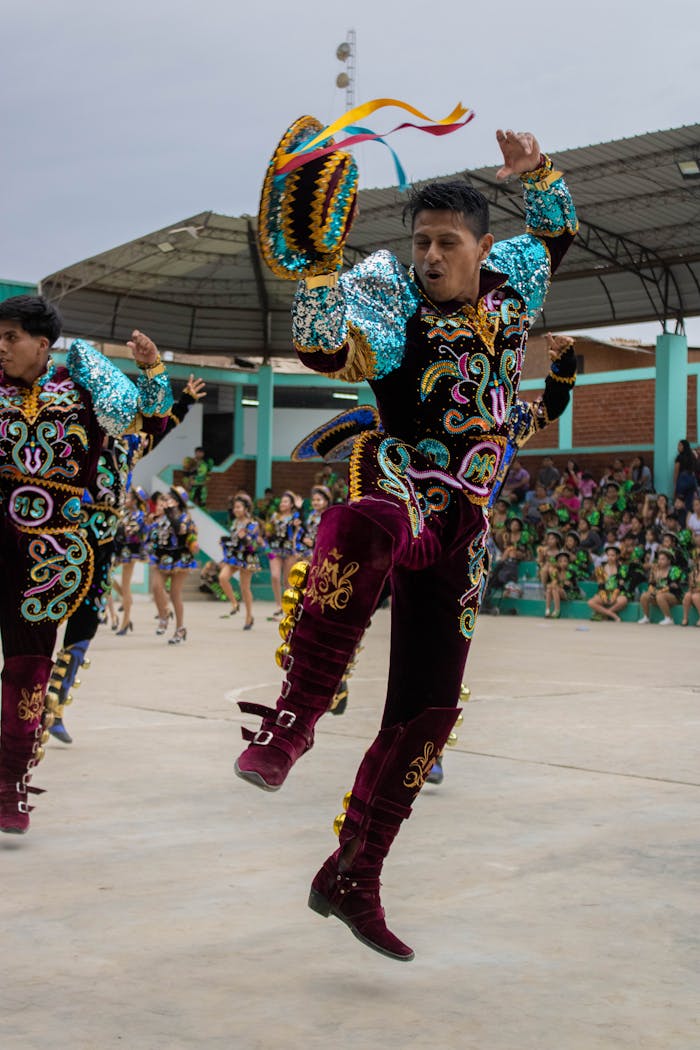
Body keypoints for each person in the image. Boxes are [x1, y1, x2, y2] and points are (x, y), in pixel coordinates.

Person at [235, 116, 577, 961]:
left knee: (429, 712)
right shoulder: (387, 298)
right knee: (365, 522)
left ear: (480, 246)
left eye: (447, 242)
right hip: (402, 483)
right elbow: (324, 352)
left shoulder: (515, 282)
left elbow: (557, 230)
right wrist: (318, 271)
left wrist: (537, 173)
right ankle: (295, 718)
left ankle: (354, 873)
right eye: (421, 241)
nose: (430, 256)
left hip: (468, 525)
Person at [0, 296, 172, 832]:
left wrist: (151, 368)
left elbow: (152, 417)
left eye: (10, 337)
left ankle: (9, 787)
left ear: (42, 344)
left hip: (52, 555)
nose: (1, 347)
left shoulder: (84, 388)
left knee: (27, 671)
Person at [149, 487, 199, 643]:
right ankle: (163, 616)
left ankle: (180, 628)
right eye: (164, 500)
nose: (164, 503)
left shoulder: (185, 518)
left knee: (175, 594)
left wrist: (170, 514)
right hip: (163, 558)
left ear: (177, 502)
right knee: (156, 587)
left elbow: (180, 530)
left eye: (168, 499)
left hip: (180, 559)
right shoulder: (160, 518)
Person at [219, 493, 265, 629]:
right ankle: (234, 603)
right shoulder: (235, 523)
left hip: (247, 557)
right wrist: (225, 541)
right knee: (222, 577)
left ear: (246, 509)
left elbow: (251, 545)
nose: (236, 510)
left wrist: (244, 538)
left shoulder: (253, 524)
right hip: (234, 556)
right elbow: (234, 539)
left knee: (244, 588)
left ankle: (249, 617)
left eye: (239, 507)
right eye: (235, 507)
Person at [265, 491, 305, 618]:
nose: (282, 504)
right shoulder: (275, 516)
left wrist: (299, 507)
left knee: (287, 582)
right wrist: (267, 532)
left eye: (286, 502)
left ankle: (288, 607)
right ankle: (278, 605)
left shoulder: (295, 517)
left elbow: (300, 522)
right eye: (282, 501)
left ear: (291, 504)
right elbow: (267, 532)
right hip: (274, 550)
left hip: (290, 552)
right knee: (275, 576)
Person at [638, 547, 683, 625]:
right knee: (644, 596)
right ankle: (646, 617)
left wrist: (658, 592)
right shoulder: (655, 569)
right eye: (659, 559)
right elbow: (651, 583)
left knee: (660, 596)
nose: (660, 561)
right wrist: (651, 590)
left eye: (663, 559)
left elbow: (672, 586)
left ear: (669, 561)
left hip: (674, 595)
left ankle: (669, 618)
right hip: (657, 593)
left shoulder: (675, 570)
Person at [674, 439, 698, 510]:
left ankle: (682, 517)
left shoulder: (679, 457)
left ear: (684, 446)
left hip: (682, 479)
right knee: (689, 501)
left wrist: (675, 484)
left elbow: (676, 471)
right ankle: (689, 515)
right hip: (692, 479)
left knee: (679, 500)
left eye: (680, 445)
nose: (678, 447)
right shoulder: (693, 456)